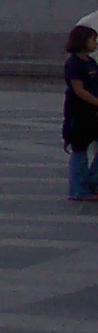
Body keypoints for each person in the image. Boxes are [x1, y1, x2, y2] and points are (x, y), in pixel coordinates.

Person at [66, 25, 98, 202]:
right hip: (79, 114)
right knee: (79, 151)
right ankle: (78, 189)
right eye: (93, 39)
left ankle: (92, 182)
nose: (95, 43)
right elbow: (79, 90)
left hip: (93, 113)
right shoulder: (74, 64)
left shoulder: (90, 62)